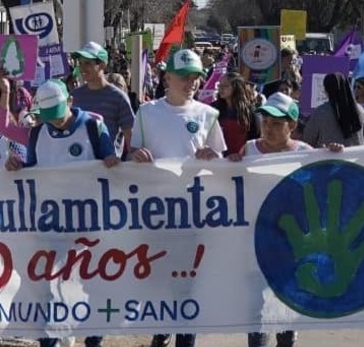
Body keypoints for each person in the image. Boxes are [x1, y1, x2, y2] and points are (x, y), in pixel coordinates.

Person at [7, 78, 118, 347]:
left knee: (92, 288)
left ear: (70, 102)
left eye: (56, 115)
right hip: (52, 228)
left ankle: (93, 340)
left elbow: (112, 165)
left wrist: (113, 162)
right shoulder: (37, 133)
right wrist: (17, 166)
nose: (53, 122)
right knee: (47, 289)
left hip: (90, 227)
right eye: (47, 117)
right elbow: (33, 170)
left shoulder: (93, 127)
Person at [228, 91, 342, 347]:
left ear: (292, 125)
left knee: (286, 302)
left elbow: (327, 183)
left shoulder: (306, 153)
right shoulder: (248, 149)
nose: (268, 128)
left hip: (293, 243)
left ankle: (287, 339)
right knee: (255, 305)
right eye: (266, 122)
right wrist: (231, 162)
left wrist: (334, 155)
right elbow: (230, 182)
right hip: (255, 240)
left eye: (277, 124)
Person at [129, 49, 224, 347]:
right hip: (155, 212)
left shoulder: (208, 115)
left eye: (195, 77)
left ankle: (186, 339)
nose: (191, 82)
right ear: (167, 77)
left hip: (193, 213)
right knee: (159, 279)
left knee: (189, 281)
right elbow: (132, 154)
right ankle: (161, 330)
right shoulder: (146, 112)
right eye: (185, 77)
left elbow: (220, 158)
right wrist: (136, 156)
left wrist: (212, 157)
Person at [70, 42, 136, 156]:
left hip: (108, 167)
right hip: (79, 166)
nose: (82, 68)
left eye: (87, 63)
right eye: (80, 63)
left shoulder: (118, 97)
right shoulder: (74, 96)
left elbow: (131, 138)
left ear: (102, 65)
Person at [302, 72, 364, 148]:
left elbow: (308, 140)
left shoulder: (321, 113)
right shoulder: (360, 111)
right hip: (356, 158)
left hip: (328, 159)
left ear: (327, 91)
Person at [212, 75, 261, 156]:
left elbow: (255, 140)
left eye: (226, 86)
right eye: (219, 85)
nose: (220, 88)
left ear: (236, 88)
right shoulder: (213, 109)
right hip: (219, 160)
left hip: (241, 160)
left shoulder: (250, 112)